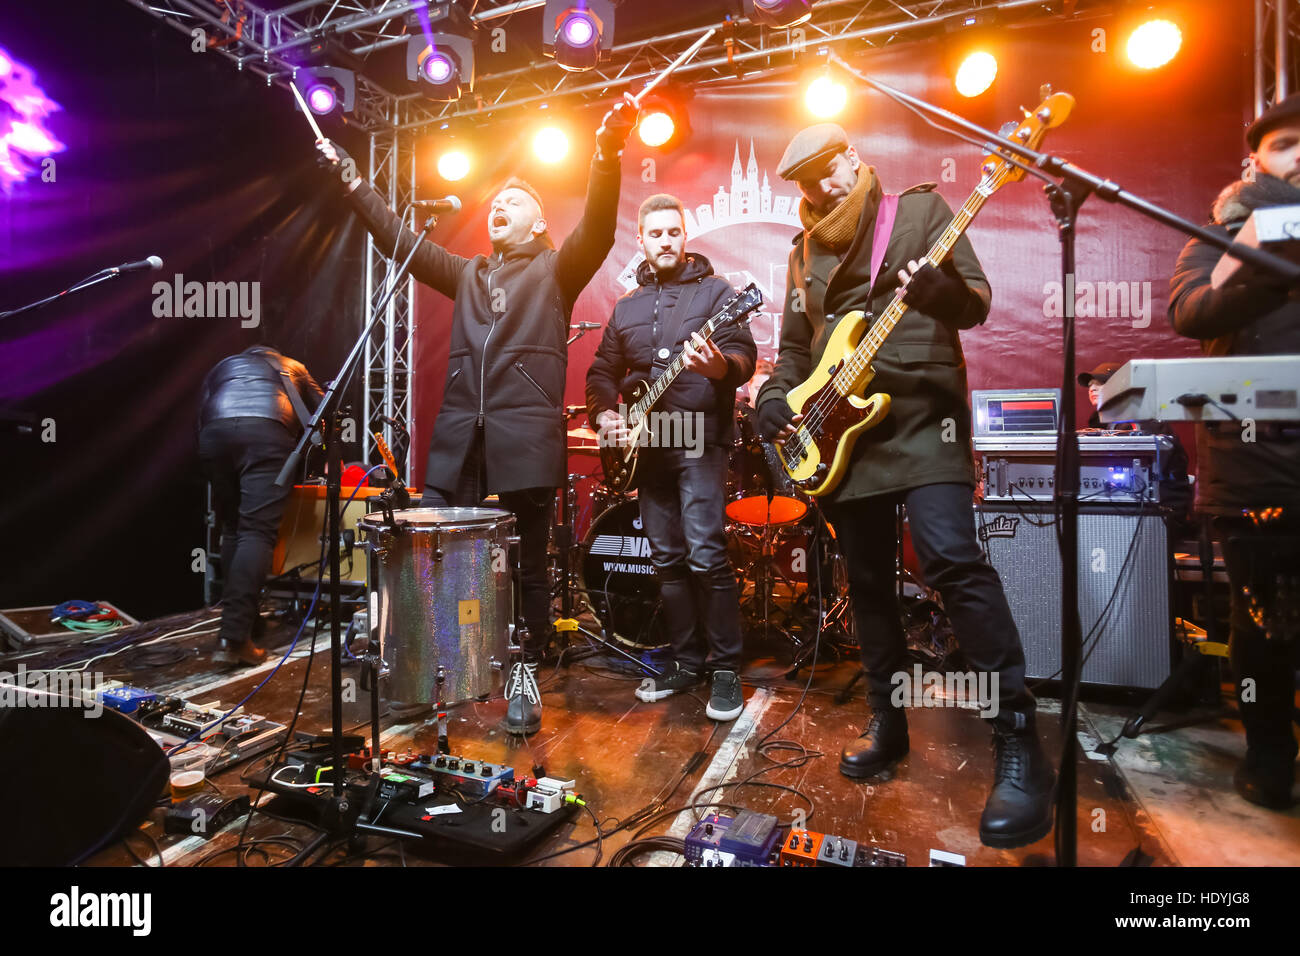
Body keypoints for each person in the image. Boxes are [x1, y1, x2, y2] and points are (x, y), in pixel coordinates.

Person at [755, 123, 1054, 848]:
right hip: (844, 434)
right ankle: (889, 722)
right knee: (868, 581)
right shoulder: (801, 255)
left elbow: (975, 303)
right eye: (808, 181)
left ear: (855, 158)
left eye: (831, 170)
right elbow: (798, 350)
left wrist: (939, 288)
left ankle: (1018, 739)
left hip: (924, 420)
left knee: (952, 558)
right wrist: (775, 397)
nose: (823, 187)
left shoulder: (918, 212)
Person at [316, 97, 637, 736]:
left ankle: (529, 661)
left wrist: (607, 153)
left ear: (539, 221)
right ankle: (438, 659)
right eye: (496, 201)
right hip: (462, 435)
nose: (500, 206)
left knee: (527, 558)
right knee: (435, 548)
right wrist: (354, 184)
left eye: (515, 202)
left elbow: (599, 227)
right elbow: (399, 239)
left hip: (522, 435)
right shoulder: (465, 274)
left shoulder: (555, 270)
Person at [1168, 93, 1300, 809]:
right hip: (1258, 474)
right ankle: (1271, 750)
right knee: (1264, 624)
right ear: (1255, 160)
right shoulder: (1217, 237)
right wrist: (1262, 242)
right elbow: (1192, 312)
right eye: (1287, 144)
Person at [586, 194, 757, 720]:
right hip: (647, 445)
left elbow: (744, 359)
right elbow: (600, 373)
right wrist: (603, 417)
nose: (665, 240)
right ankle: (685, 663)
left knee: (705, 551)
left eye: (673, 232)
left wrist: (718, 368)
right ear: (641, 239)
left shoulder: (719, 295)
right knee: (666, 558)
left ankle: (725, 669)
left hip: (701, 438)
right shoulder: (627, 306)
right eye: (655, 233)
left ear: (685, 237)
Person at [199, 345, 323, 667]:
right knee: (257, 533)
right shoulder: (293, 365)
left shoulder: (224, 363)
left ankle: (246, 622)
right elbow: (323, 411)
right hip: (267, 431)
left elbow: (203, 408)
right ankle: (233, 638)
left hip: (214, 434)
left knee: (232, 528)